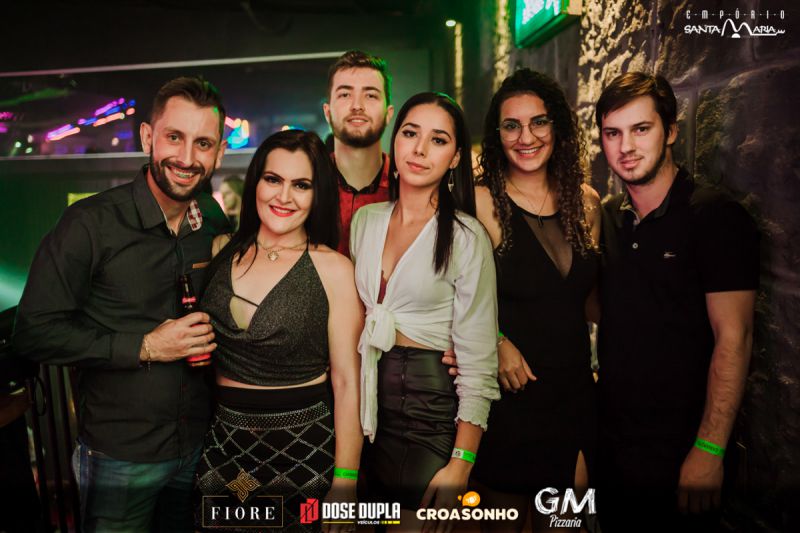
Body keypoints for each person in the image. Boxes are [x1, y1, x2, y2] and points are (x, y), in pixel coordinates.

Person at [13, 76, 230, 531]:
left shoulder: (210, 217)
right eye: (174, 137)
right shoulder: (89, 224)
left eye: (203, 143)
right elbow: (33, 332)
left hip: (196, 445)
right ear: (148, 137)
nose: (187, 158)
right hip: (120, 457)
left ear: (219, 152)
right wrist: (146, 346)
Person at [595, 72, 759, 532]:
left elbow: (735, 337)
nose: (626, 146)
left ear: (669, 131)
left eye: (640, 129)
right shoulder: (608, 219)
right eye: (613, 133)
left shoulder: (714, 216)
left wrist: (709, 449)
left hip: (681, 451)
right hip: (613, 448)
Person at [195, 129, 363, 532]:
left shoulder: (334, 269)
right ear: (256, 182)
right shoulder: (221, 249)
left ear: (317, 194)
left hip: (303, 454)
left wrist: (346, 480)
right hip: (223, 448)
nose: (284, 196)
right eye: (273, 179)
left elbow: (347, 383)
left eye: (301, 185)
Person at [350, 92, 499, 530]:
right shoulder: (365, 221)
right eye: (411, 133)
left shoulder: (467, 236)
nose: (419, 149)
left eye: (438, 140)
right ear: (395, 142)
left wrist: (461, 463)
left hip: (430, 414)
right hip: (368, 413)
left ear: (455, 157)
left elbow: (478, 362)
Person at [466, 68, 601, 532]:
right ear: (497, 134)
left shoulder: (586, 203)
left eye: (538, 122)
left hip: (575, 399)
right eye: (512, 125)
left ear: (556, 126)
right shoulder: (480, 203)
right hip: (509, 402)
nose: (526, 137)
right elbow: (449, 298)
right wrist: (497, 340)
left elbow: (587, 301)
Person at [323, 50, 394, 256]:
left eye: (370, 95)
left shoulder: (408, 187)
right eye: (345, 94)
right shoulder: (306, 184)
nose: (357, 106)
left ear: (388, 113)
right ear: (327, 112)